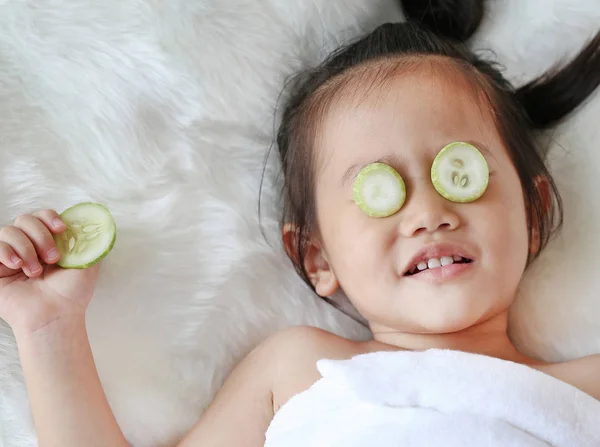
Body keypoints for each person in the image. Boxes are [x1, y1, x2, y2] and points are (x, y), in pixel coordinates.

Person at [1, 0, 599, 446]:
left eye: (459, 173)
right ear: (319, 259)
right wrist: (49, 330)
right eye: (379, 191)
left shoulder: (586, 387)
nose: (429, 215)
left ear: (535, 213)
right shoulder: (297, 370)